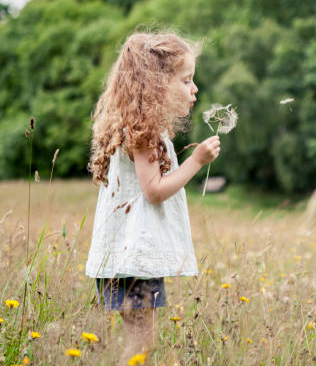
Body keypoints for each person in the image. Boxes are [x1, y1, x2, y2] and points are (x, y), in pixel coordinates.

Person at [85, 31, 220, 364]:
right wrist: (196, 162)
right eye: (186, 80)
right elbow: (155, 191)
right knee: (141, 347)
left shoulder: (143, 127)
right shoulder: (143, 131)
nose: (194, 89)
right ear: (157, 84)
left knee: (143, 345)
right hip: (132, 258)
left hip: (130, 255)